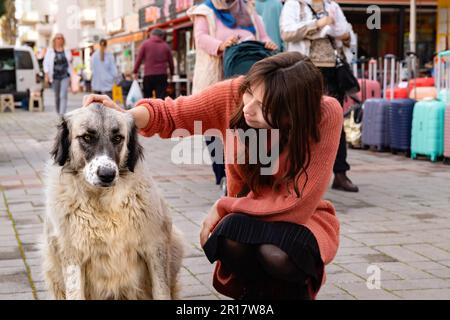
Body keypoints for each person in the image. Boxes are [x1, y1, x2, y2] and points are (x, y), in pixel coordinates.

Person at [82, 52, 342, 300]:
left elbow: (296, 203)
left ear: (292, 112)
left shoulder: (324, 114)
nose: (248, 108)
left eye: (263, 106)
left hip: (300, 218)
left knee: (276, 255)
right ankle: (253, 298)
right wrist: (125, 118)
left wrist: (223, 205)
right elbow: (174, 114)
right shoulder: (235, 93)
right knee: (230, 237)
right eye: (250, 93)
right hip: (247, 214)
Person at [187, 0, 278, 192]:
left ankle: (249, 173)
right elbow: (201, 38)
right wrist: (221, 45)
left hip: (245, 75)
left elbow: (262, 36)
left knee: (244, 124)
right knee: (214, 126)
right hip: (216, 76)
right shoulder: (205, 10)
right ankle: (222, 175)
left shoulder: (248, 9)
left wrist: (267, 43)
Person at [280, 0, 359, 192]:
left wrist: (343, 34)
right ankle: (298, 173)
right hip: (305, 70)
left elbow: (350, 36)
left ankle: (340, 173)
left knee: (335, 121)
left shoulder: (332, 5)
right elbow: (286, 33)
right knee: (302, 121)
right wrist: (317, 25)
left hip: (333, 72)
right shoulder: (294, 4)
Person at [133, 29, 174, 99]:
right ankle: (159, 110)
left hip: (148, 75)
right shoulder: (165, 46)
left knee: (147, 98)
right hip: (162, 75)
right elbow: (171, 62)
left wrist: (135, 71)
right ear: (162, 36)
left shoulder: (145, 44)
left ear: (151, 35)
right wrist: (172, 74)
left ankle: (148, 109)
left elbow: (138, 59)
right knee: (160, 98)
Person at [43, 33, 72, 115]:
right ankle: (58, 111)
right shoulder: (50, 50)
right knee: (57, 96)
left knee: (63, 95)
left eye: (61, 38)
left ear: (63, 40)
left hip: (65, 76)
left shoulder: (66, 50)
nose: (59, 39)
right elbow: (46, 63)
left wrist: (72, 76)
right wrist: (46, 75)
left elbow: (70, 63)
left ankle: (62, 114)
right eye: (57, 38)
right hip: (55, 76)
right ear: (54, 40)